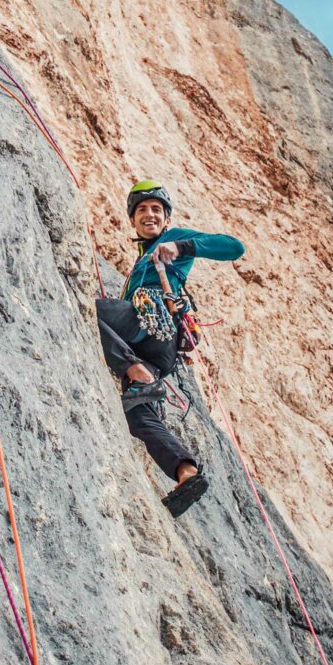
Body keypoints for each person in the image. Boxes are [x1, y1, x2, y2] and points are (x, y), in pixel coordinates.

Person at [96, 180, 245, 517]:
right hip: (158, 350)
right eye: (142, 210)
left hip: (151, 323)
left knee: (88, 309)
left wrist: (180, 246)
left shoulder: (171, 239)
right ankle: (186, 474)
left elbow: (233, 247)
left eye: (156, 210)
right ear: (133, 221)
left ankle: (132, 367)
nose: (149, 215)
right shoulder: (139, 262)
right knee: (138, 415)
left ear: (165, 220)